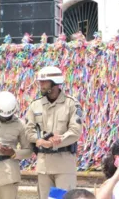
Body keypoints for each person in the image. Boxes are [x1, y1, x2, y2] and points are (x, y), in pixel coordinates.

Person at [25, 66, 83, 199]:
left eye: (44, 82)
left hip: (64, 165)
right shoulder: (35, 105)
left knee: (65, 197)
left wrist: (59, 140)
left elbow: (75, 131)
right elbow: (29, 131)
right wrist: (38, 140)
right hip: (43, 165)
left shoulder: (71, 104)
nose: (41, 85)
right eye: (40, 82)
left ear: (54, 83)